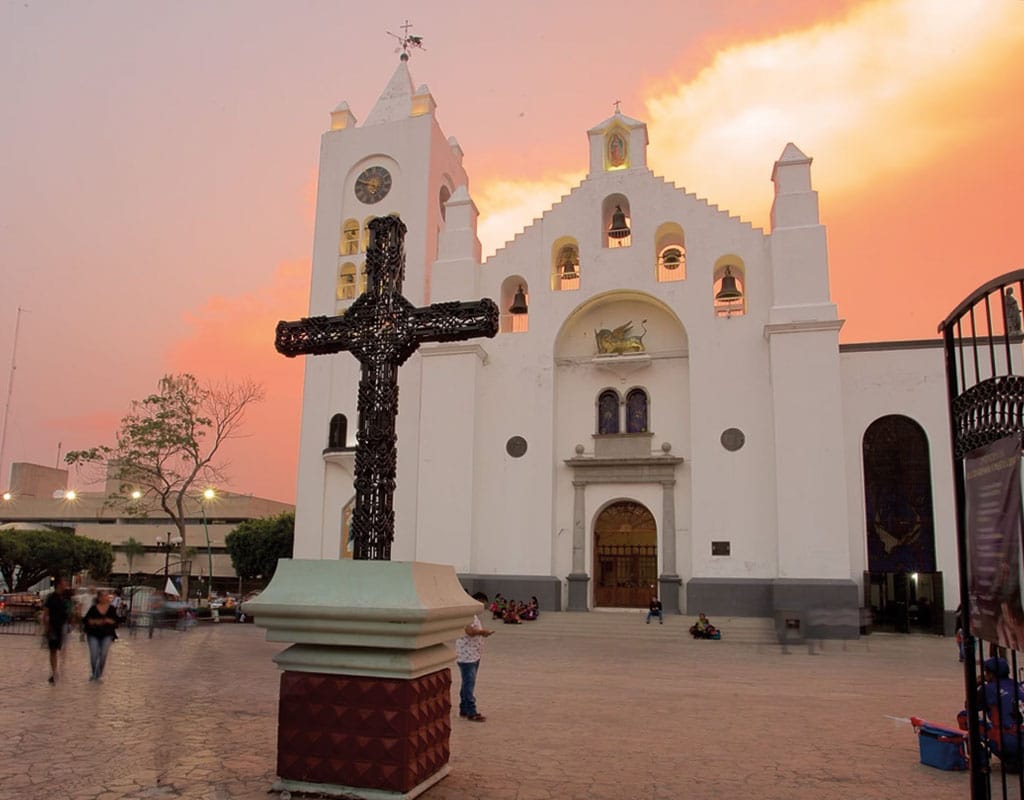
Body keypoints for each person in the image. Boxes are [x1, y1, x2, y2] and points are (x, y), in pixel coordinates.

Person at [455, 591, 493, 722]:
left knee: (467, 683)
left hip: (473, 654)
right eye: (482, 604)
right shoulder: (467, 615)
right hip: (467, 656)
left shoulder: (474, 616)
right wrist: (483, 632)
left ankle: (464, 708)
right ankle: (471, 711)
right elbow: (469, 631)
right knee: (469, 684)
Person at [83, 589, 119, 681]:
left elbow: (117, 621)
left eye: (107, 595)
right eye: (104, 596)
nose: (106, 597)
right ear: (99, 598)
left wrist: (109, 621)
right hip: (93, 634)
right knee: (94, 655)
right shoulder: (93, 609)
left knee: (103, 654)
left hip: (107, 634)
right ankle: (94, 672)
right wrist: (95, 622)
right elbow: (86, 620)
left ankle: (98, 674)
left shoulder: (112, 609)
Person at [41, 576, 71, 684]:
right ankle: (54, 671)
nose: (66, 584)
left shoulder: (64, 597)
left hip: (62, 626)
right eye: (64, 582)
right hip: (53, 626)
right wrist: (46, 627)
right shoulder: (51, 597)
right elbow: (45, 613)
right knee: (53, 650)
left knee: (61, 649)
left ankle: (58, 669)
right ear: (59, 584)